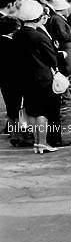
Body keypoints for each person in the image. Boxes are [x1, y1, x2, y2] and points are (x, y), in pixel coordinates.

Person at [13, 0, 61, 154]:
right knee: (44, 112)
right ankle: (43, 142)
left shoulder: (17, 35)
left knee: (32, 110)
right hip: (42, 78)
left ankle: (37, 142)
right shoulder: (39, 37)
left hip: (25, 77)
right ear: (38, 17)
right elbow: (52, 59)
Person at [0, 16, 31, 147]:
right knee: (18, 108)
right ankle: (19, 135)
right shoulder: (13, 44)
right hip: (16, 79)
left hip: (4, 80)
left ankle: (14, 134)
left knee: (10, 108)